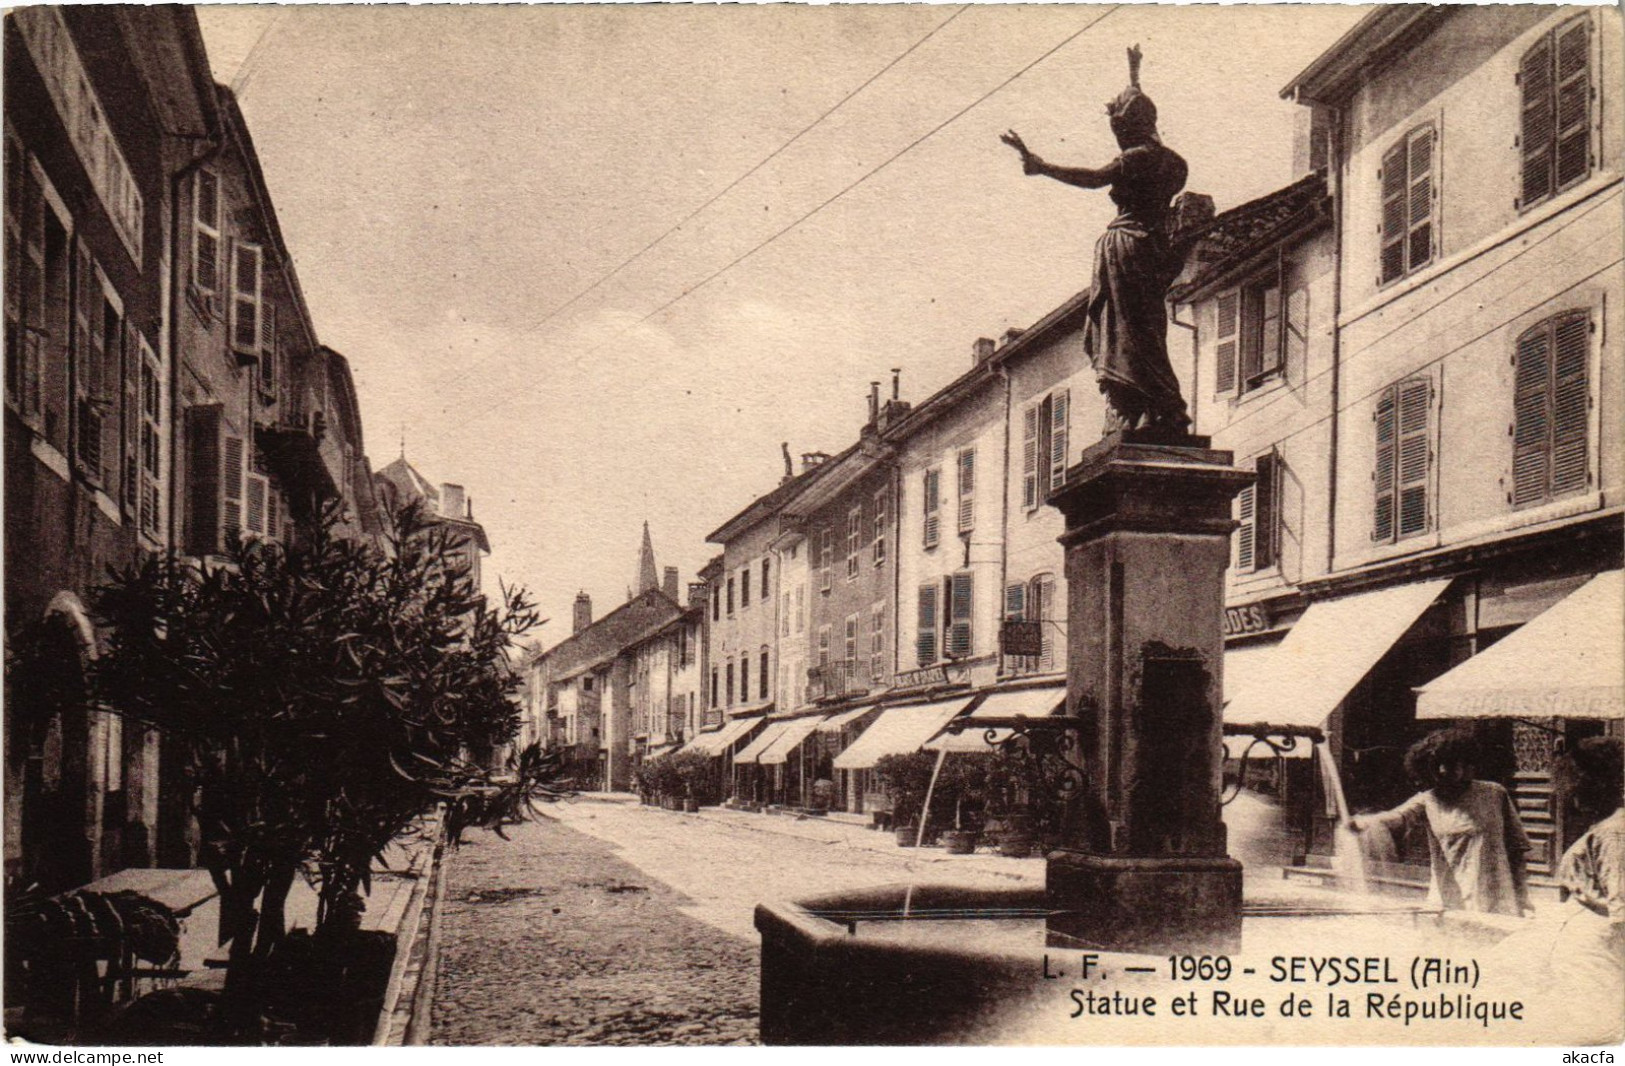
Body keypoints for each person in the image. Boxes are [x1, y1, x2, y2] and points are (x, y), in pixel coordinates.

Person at [1001, 45, 1195, 433]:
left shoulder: (1131, 160)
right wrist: (1134, 75)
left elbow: (1091, 178)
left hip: (1124, 246)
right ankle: (1160, 408)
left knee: (1125, 329)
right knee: (1147, 329)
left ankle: (1139, 407)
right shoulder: (1174, 163)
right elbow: (1137, 112)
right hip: (1156, 246)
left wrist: (1041, 165)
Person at [1348, 728, 1531, 916]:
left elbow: (1517, 849)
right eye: (1437, 765)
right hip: (1449, 900)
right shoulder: (1428, 800)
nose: (1443, 770)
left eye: (1451, 764)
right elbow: (1397, 817)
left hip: (1495, 898)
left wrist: (1523, 897)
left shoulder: (1494, 794)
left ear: (1467, 763)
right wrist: (1366, 822)